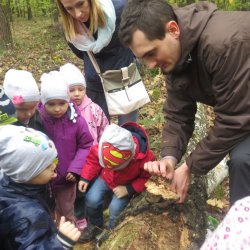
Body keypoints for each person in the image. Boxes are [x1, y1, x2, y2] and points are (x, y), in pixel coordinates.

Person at [119, 0, 250, 206]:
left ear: (173, 29)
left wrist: (190, 166)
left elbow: (234, 120)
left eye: (152, 53)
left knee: (244, 162)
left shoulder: (224, 44)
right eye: (143, 58)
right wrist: (169, 157)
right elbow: (178, 113)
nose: (151, 65)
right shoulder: (177, 54)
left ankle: (240, 233)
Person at [56, 0, 138, 125]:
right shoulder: (70, 25)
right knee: (98, 128)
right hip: (95, 78)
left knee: (129, 129)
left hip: (123, 74)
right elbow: (80, 52)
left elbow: (135, 38)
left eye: (80, 4)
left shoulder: (120, 10)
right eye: (69, 9)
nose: (77, 14)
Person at [0, 125, 81, 249]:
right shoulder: (27, 216)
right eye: (47, 166)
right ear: (27, 173)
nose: (55, 170)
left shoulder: (14, 181)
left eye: (54, 161)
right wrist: (61, 244)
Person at [78, 122, 155, 242]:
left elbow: (147, 178)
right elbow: (93, 159)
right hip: (105, 177)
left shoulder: (145, 158)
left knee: (115, 209)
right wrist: (85, 177)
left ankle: (111, 232)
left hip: (126, 185)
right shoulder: (108, 143)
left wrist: (129, 189)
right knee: (92, 199)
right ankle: (95, 226)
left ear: (130, 157)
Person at [39, 70, 93, 224]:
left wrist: (75, 169)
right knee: (48, 211)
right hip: (43, 179)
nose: (57, 109)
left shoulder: (76, 121)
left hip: (66, 178)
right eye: (51, 104)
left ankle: (69, 237)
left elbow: (86, 144)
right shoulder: (38, 119)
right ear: (43, 102)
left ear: (67, 101)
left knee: (66, 210)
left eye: (61, 103)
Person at [60, 62, 109, 145]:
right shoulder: (60, 111)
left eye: (81, 89)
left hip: (93, 154)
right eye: (71, 90)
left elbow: (104, 131)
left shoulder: (94, 109)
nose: (77, 94)